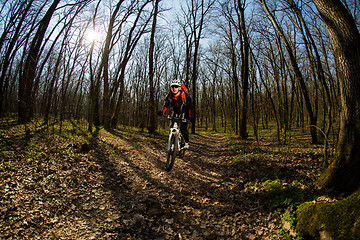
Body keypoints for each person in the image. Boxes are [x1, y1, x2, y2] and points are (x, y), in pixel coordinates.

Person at [158, 80, 194, 149]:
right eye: (173, 87)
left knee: (183, 128)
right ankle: (173, 143)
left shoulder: (185, 96)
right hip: (176, 112)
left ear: (179, 88)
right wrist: (162, 112)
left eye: (176, 87)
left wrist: (190, 116)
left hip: (184, 112)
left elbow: (191, 107)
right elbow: (166, 106)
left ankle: (186, 142)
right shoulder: (169, 96)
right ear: (170, 88)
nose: (174, 88)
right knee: (172, 126)